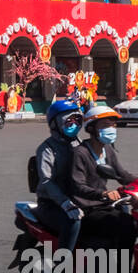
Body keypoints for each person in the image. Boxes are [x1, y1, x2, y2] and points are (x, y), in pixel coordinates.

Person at [69, 106, 138, 260]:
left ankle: (124, 271)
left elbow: (122, 175)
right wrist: (103, 193)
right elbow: (78, 186)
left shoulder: (107, 149)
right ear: (91, 129)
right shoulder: (80, 153)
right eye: (105, 125)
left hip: (104, 205)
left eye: (113, 125)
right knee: (125, 225)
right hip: (86, 208)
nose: (111, 129)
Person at [33, 99, 86, 252]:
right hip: (52, 203)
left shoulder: (80, 144)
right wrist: (65, 203)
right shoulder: (46, 149)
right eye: (68, 121)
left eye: (77, 120)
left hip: (78, 199)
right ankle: (63, 264)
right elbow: (47, 181)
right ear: (55, 124)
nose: (74, 124)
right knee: (73, 221)